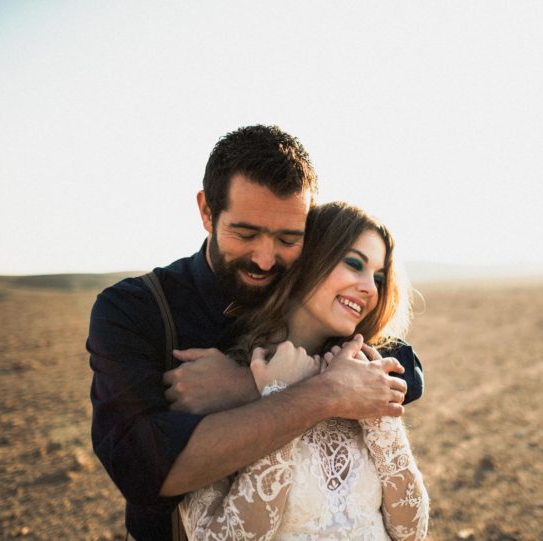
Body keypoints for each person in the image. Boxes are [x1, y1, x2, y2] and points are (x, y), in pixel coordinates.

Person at [88, 126, 424, 541]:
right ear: (207, 211)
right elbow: (144, 470)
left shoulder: (311, 299)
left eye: (288, 239)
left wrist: (252, 386)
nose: (266, 259)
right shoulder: (136, 309)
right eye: (245, 234)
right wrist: (326, 391)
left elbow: (406, 369)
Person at [179, 201, 429, 540]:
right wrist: (279, 398)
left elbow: (411, 532)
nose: (370, 288)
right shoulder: (221, 381)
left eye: (379, 277)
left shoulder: (366, 373)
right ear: (308, 259)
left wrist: (376, 416)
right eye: (354, 264)